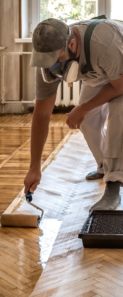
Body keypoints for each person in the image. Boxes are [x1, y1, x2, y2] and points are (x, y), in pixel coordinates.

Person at [24, 17, 123, 211]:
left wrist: (83, 107)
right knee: (86, 122)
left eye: (57, 59)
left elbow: (119, 86)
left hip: (119, 70)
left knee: (118, 116)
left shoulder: (105, 42)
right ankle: (104, 167)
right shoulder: (45, 61)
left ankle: (114, 185)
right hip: (98, 72)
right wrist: (34, 166)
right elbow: (42, 115)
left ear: (71, 43)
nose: (52, 67)